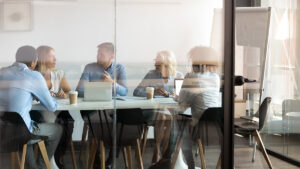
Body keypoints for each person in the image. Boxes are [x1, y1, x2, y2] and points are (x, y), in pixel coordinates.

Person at [149, 46, 221, 169]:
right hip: (216, 127)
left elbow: (182, 105)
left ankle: (168, 161)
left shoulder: (193, 77)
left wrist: (181, 93)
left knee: (176, 121)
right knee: (178, 122)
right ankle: (170, 160)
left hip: (198, 128)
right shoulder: (215, 77)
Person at [0, 46, 63, 169]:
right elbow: (51, 107)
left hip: (3, 130)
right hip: (22, 131)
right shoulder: (34, 76)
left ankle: (33, 166)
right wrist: (51, 97)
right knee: (57, 130)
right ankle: (41, 165)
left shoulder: (2, 72)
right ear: (33, 61)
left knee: (23, 127)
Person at [76, 42, 128, 168]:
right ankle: (97, 159)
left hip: (111, 111)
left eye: (101, 54)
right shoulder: (89, 67)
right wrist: (99, 87)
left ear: (111, 56)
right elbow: (79, 91)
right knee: (100, 121)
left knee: (121, 122)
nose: (98, 56)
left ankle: (111, 159)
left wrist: (112, 83)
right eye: (98, 53)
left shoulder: (120, 69)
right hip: (91, 110)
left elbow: (125, 92)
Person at [133, 50, 183, 163]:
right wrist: (153, 92)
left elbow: (182, 96)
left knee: (166, 117)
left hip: (171, 112)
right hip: (153, 111)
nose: (155, 65)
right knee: (163, 117)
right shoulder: (151, 74)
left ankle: (161, 153)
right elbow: (136, 92)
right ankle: (159, 152)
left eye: (158, 63)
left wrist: (171, 94)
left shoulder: (179, 76)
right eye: (155, 62)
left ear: (167, 64)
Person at [33, 45, 73, 169]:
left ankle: (55, 157)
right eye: (51, 56)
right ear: (43, 58)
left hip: (56, 110)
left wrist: (63, 94)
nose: (55, 59)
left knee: (68, 122)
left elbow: (68, 92)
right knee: (55, 123)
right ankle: (45, 159)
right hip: (38, 112)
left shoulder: (58, 74)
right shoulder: (33, 74)